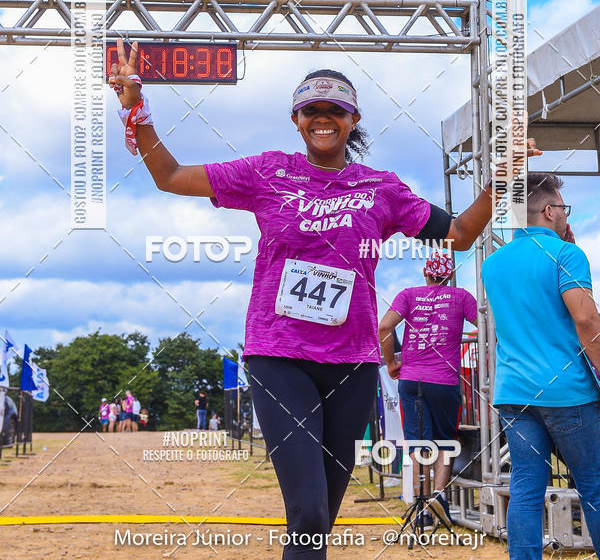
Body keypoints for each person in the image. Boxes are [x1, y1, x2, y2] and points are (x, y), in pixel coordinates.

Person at [109, 41, 537, 559]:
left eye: (335, 110)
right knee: (308, 510)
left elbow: (460, 235)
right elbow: (171, 177)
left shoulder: (382, 188)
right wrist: (137, 108)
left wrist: (502, 179)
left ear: (353, 119)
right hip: (279, 356)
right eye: (311, 110)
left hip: (352, 364)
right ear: (296, 120)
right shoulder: (267, 172)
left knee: (318, 523)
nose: (323, 119)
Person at [482, 172, 600, 560]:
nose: (566, 216)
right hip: (568, 391)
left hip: (514, 393)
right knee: (594, 486)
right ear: (549, 211)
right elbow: (586, 320)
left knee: (527, 487)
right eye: (564, 209)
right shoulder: (567, 255)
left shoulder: (493, 263)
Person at [378, 253, 477, 526]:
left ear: (425, 272)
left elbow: (384, 327)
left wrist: (391, 363)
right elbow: (487, 323)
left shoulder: (408, 295)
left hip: (411, 380)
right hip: (444, 381)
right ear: (450, 275)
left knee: (418, 443)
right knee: (445, 441)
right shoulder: (462, 296)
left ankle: (421, 510)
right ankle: (438, 495)